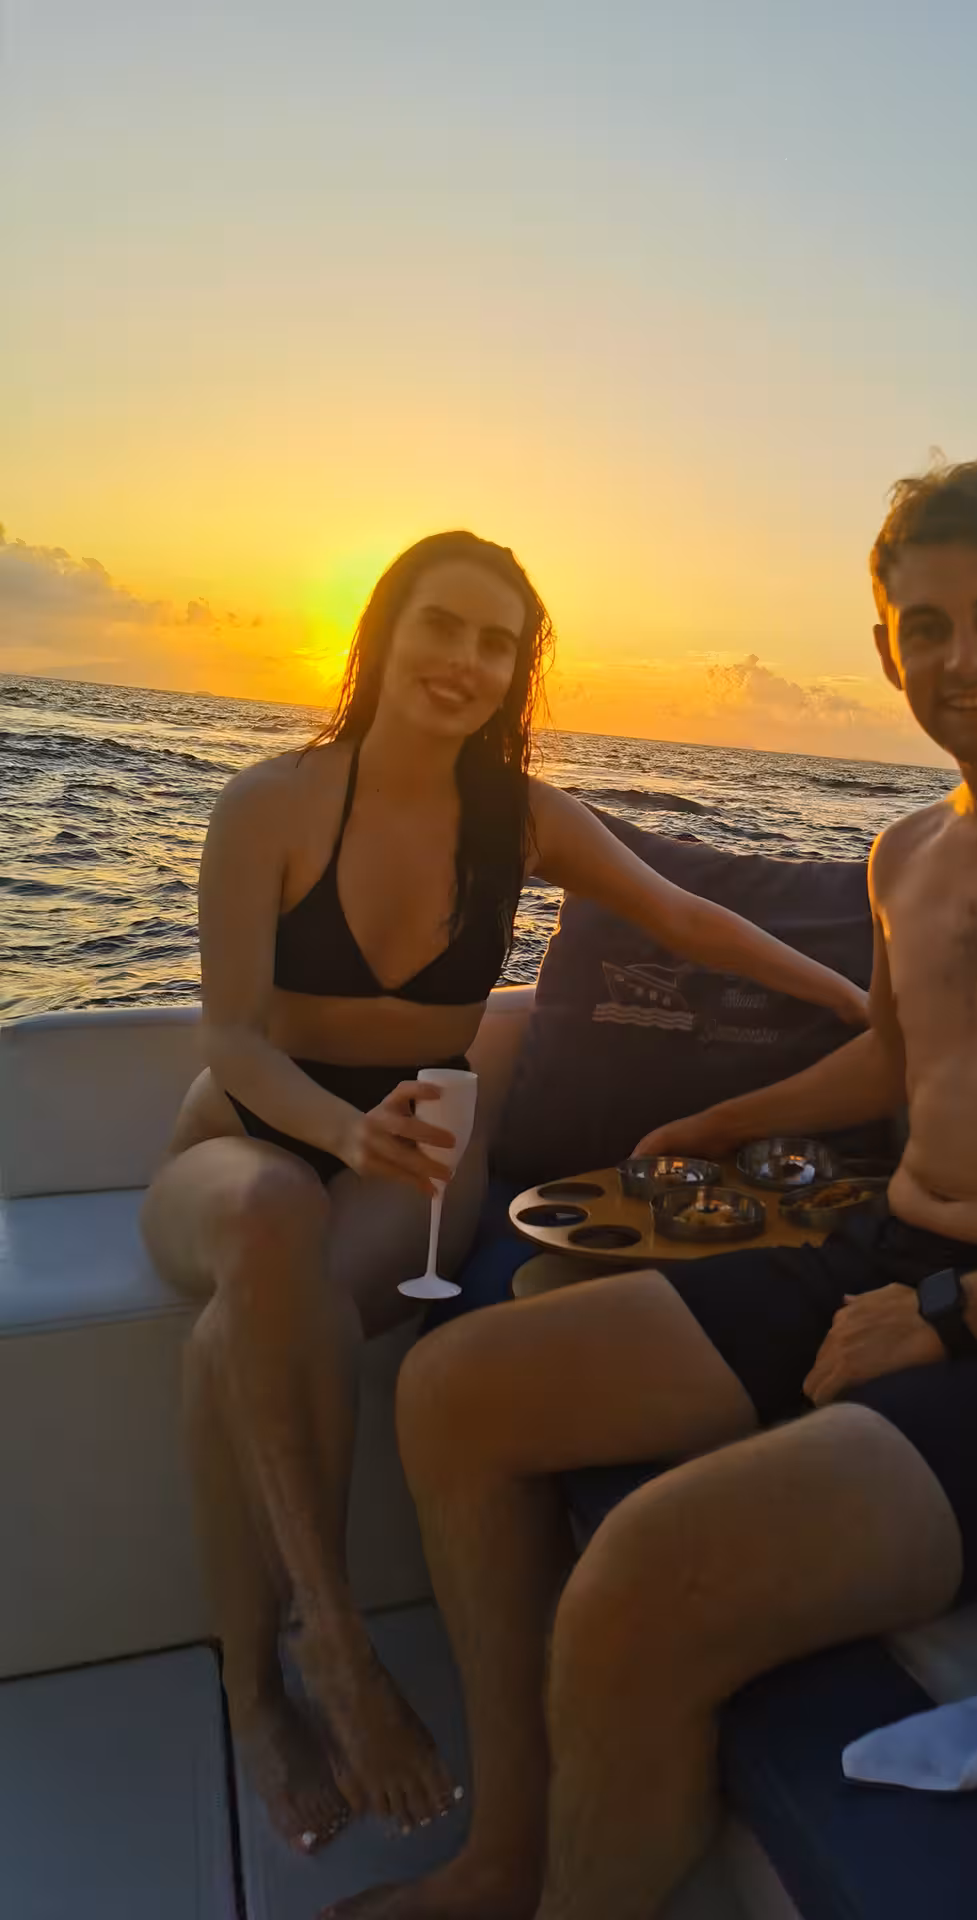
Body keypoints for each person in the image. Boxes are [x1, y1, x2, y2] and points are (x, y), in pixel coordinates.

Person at [327, 463, 977, 1920]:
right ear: (883, 651)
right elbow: (899, 1069)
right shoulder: (905, 854)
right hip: (888, 1257)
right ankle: (507, 1852)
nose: (963, 659)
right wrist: (719, 1121)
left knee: (648, 1572)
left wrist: (953, 1315)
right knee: (453, 1390)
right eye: (926, 627)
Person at [139, 530, 868, 1857]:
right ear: (380, 633)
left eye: (498, 644)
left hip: (404, 1162)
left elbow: (685, 920)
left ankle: (258, 1685)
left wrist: (861, 1001)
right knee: (263, 1221)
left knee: (239, 1330)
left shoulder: (520, 822)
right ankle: (328, 1650)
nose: (466, 662)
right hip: (240, 1143)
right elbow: (232, 1041)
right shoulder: (274, 803)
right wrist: (347, 1137)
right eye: (444, 627)